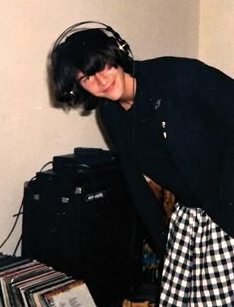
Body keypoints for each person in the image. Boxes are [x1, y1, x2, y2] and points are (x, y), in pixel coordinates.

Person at [50, 22, 234, 306]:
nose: (101, 81)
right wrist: (164, 243)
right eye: (87, 77)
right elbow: (136, 184)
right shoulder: (110, 114)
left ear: (118, 53)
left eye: (102, 66)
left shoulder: (178, 77)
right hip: (195, 216)